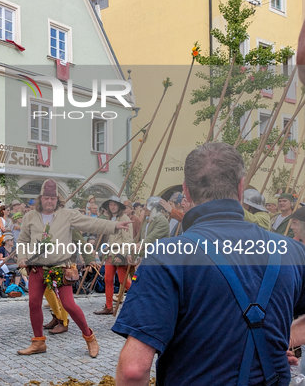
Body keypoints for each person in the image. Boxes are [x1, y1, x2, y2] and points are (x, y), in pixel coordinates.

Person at [113, 142, 305, 386]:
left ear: (186, 191)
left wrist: (275, 339)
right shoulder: (292, 250)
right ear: (240, 187)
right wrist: (278, 339)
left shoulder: (168, 256)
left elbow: (133, 370)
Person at [16, 179, 132, 358]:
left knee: (69, 304)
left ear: (57, 199)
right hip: (36, 268)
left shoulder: (67, 214)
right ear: (40, 198)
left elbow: (90, 223)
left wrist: (114, 225)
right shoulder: (29, 217)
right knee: (33, 304)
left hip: (61, 268)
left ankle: (89, 336)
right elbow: (23, 240)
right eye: (46, 198)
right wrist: (22, 257)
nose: (49, 201)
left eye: (53, 198)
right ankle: (38, 342)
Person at [94, 196, 134, 315]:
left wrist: (121, 255)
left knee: (123, 280)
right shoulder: (111, 218)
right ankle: (108, 306)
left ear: (119, 206)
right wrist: (108, 246)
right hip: (110, 253)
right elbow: (113, 238)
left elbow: (127, 240)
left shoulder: (125, 219)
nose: (113, 207)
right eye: (111, 204)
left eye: (115, 204)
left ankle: (140, 300)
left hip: (120, 253)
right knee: (108, 279)